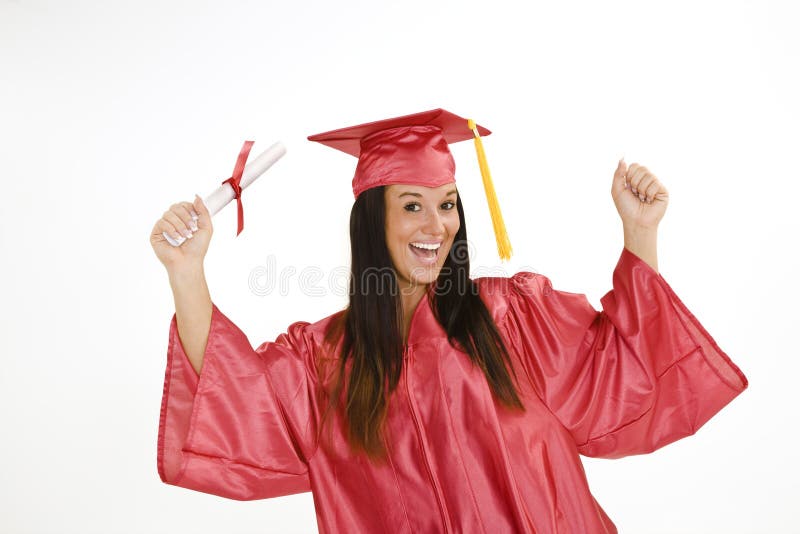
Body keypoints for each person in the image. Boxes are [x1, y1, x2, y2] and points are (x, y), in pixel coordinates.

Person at [149, 109, 748, 533]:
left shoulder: (513, 318)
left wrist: (640, 232)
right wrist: (187, 271)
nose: (436, 226)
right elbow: (234, 397)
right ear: (373, 222)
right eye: (411, 205)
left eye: (446, 205)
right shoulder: (326, 360)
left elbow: (624, 370)